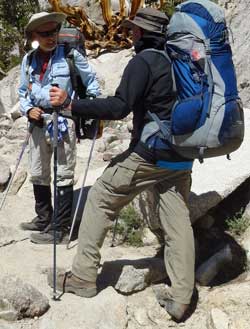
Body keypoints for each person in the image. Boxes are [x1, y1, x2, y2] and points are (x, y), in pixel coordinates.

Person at [48, 8, 195, 321]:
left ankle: (83, 277)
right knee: (177, 221)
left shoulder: (144, 61)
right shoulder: (179, 60)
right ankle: (182, 298)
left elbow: (119, 107)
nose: (130, 34)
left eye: (133, 30)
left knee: (100, 196)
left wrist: (72, 105)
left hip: (152, 153)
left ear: (140, 33)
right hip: (183, 154)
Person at [18, 12, 100, 244]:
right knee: (38, 171)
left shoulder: (71, 56)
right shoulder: (28, 60)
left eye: (53, 32)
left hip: (63, 121)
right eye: (44, 33)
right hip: (37, 122)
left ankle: (60, 229)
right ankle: (44, 218)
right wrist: (27, 109)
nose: (50, 37)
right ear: (34, 35)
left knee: (63, 173)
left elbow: (92, 84)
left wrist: (88, 111)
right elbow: (23, 92)